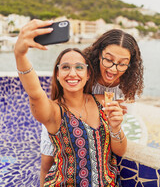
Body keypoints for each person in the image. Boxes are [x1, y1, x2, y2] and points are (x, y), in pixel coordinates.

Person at [14, 19, 127, 186]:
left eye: (79, 67)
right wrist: (20, 54)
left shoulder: (105, 102)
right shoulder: (53, 112)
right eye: (65, 67)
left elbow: (120, 150)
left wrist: (115, 127)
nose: (72, 73)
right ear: (58, 76)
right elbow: (35, 93)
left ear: (88, 74)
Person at [40, 27, 144, 186]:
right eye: (108, 60)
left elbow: (122, 131)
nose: (113, 69)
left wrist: (119, 121)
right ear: (99, 53)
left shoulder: (126, 87)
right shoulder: (84, 72)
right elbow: (63, 100)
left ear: (130, 65)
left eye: (122, 64)